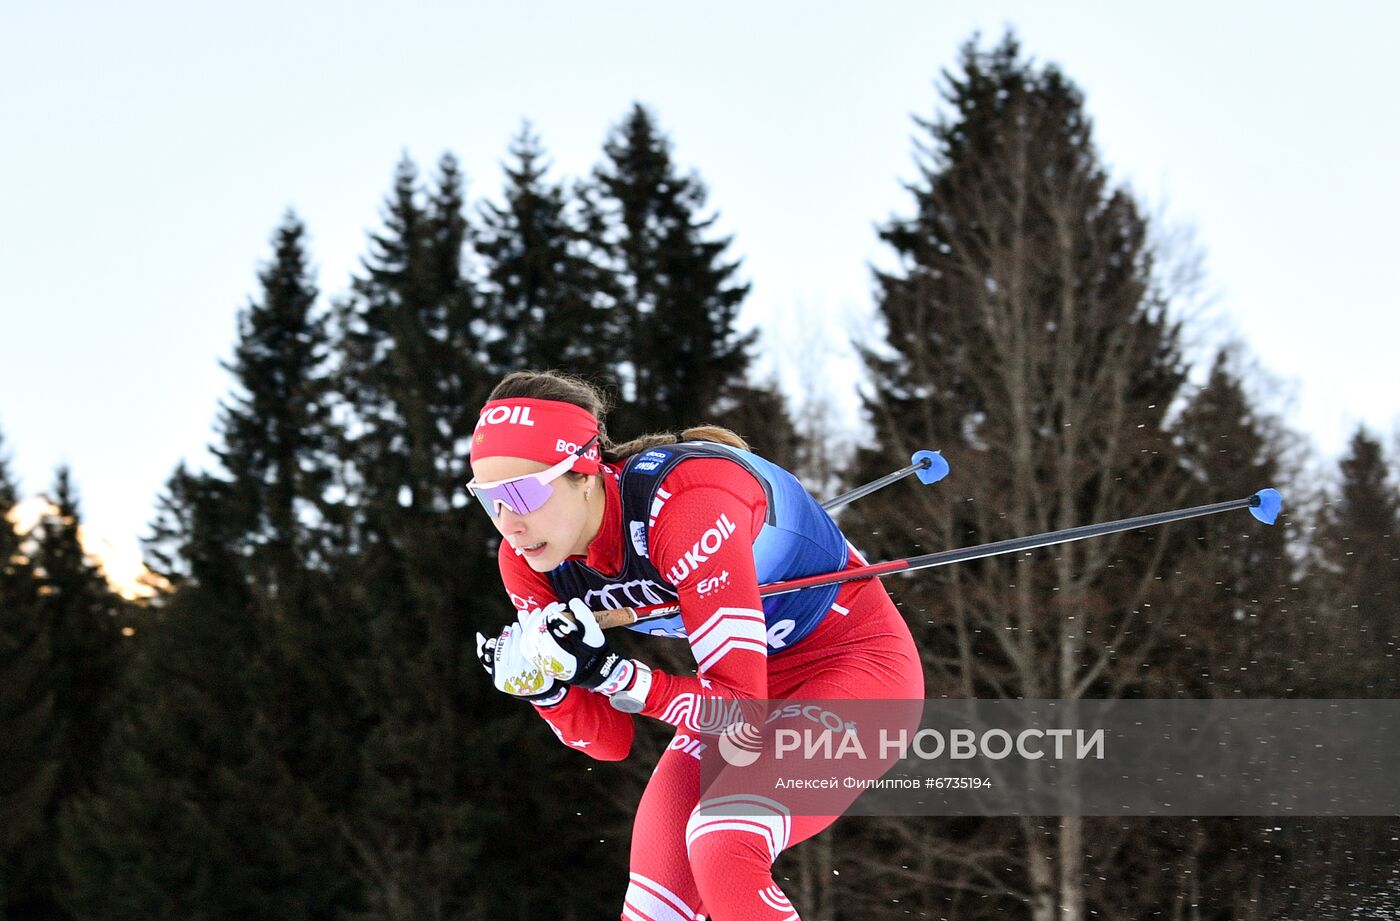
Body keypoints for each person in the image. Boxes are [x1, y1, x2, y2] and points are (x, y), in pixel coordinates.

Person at [472, 370, 924, 921]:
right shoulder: (528, 562)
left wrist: (613, 675)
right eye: (488, 499)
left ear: (584, 472)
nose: (508, 524)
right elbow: (611, 741)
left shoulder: (687, 506)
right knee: (653, 908)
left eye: (521, 492)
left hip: (856, 671)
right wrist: (546, 690)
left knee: (724, 838)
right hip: (748, 691)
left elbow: (741, 711)